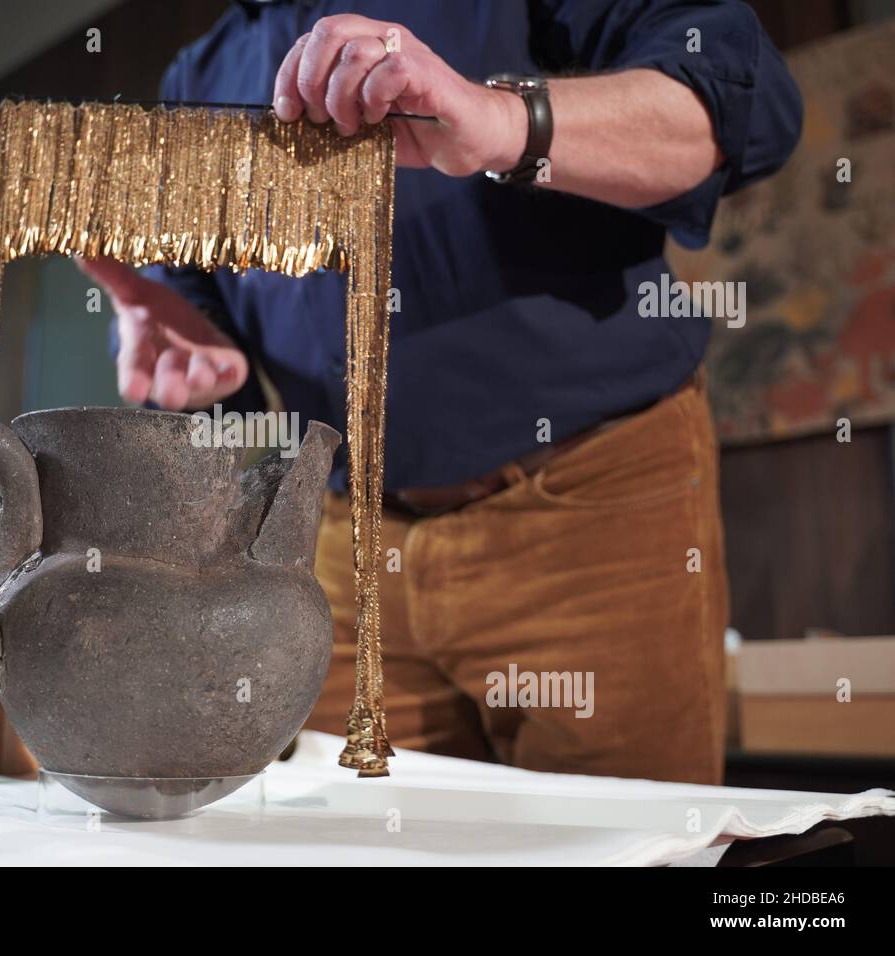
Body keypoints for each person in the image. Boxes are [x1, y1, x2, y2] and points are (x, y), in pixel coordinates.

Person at [80, 0, 802, 784]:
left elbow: (745, 104)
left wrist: (502, 120)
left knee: (629, 839)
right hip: (343, 544)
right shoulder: (196, 77)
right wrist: (179, 359)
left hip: (593, 513)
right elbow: (209, 354)